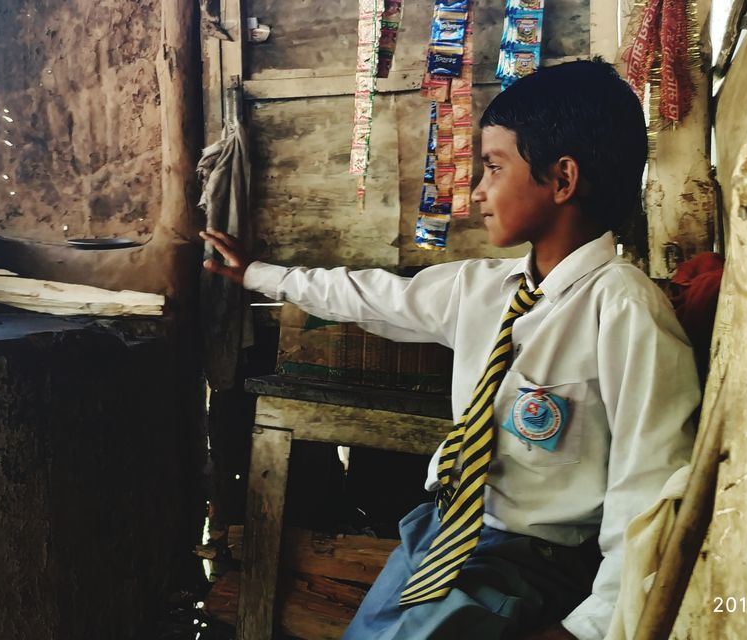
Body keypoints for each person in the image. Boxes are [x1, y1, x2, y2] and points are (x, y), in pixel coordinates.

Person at [200, 59, 700, 640]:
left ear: (562, 180)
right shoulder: (483, 290)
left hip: (527, 564)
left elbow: (650, 495)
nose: (479, 190)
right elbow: (372, 296)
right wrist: (261, 274)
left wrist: (588, 629)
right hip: (437, 534)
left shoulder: (624, 311)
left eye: (493, 167)